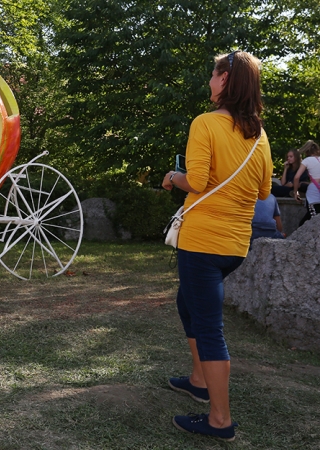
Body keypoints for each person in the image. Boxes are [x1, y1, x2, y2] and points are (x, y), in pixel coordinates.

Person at [161, 50, 273, 441]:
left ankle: (220, 420)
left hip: (202, 241)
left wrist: (174, 177)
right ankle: (198, 379)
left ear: (225, 79)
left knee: (209, 326)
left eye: (213, 74)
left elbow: (198, 182)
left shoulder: (205, 123)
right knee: (186, 303)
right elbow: (262, 193)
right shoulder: (259, 136)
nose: (209, 81)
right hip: (235, 245)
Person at [293, 140, 320, 226]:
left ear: (307, 151)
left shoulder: (307, 161)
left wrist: (295, 192)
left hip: (313, 195)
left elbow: (297, 177)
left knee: (308, 223)